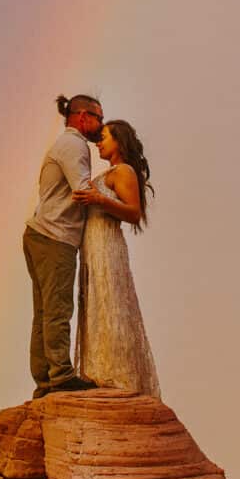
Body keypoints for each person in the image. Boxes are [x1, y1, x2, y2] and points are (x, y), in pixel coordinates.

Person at [73, 118, 160, 395]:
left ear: (119, 141)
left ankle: (117, 375)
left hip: (107, 246)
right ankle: (99, 372)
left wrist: (100, 200)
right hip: (91, 248)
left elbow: (134, 213)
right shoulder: (106, 173)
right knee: (97, 304)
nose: (99, 142)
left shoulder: (123, 171)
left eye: (104, 137)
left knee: (111, 303)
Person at [24, 93, 104, 396]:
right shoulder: (74, 145)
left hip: (40, 234)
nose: (101, 124)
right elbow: (82, 190)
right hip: (55, 236)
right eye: (98, 117)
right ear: (82, 117)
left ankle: (44, 379)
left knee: (44, 312)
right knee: (57, 309)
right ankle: (60, 376)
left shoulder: (65, 144)